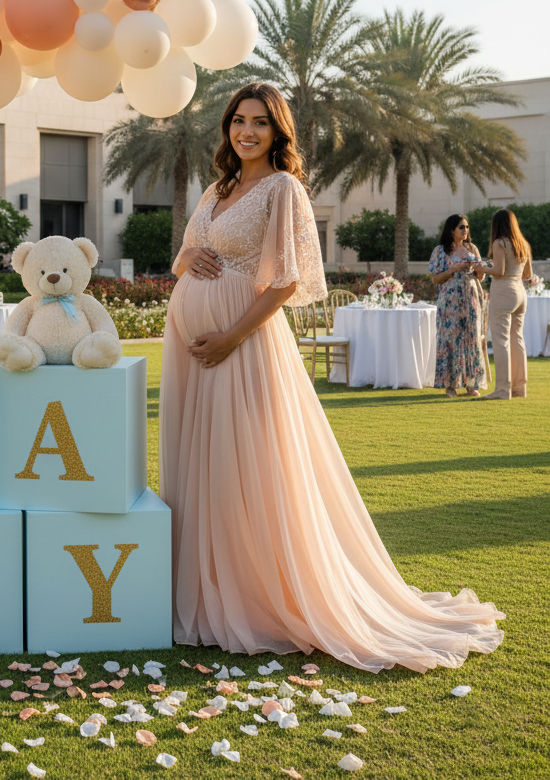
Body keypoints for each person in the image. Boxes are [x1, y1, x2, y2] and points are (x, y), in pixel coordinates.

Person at [160, 81, 504, 673]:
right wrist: (188, 261)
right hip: (190, 350)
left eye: (260, 123)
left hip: (241, 348)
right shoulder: (216, 189)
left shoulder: (283, 188)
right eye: (238, 120)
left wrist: (232, 336)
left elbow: (287, 281)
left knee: (244, 463)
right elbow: (182, 256)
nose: (246, 131)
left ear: (278, 132)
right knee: (198, 464)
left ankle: (255, 593)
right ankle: (204, 584)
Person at [428, 215, 488, 397]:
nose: (465, 230)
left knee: (472, 339)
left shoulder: (472, 248)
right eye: (462, 227)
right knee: (450, 340)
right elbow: (435, 279)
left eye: (467, 227)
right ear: (452, 230)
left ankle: (471, 384)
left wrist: (478, 268)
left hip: (471, 298)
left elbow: (481, 276)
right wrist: (453, 269)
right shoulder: (440, 250)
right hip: (450, 300)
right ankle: (450, 385)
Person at [481, 209, 532, 400]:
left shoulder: (499, 242)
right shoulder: (523, 244)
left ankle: (502, 389)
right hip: (520, 293)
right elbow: (527, 275)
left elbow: (499, 271)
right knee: (517, 339)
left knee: (501, 341)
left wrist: (482, 267)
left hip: (504, 293)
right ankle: (519, 389)